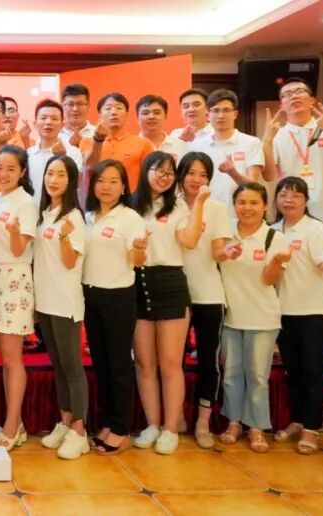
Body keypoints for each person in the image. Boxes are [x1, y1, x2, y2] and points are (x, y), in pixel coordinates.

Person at [130, 151, 207, 455]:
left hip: (170, 283)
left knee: (171, 363)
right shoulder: (129, 204)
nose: (164, 177)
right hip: (136, 283)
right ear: (145, 170)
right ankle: (152, 424)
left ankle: (171, 428)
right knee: (144, 362)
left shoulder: (177, 206)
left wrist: (199, 203)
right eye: (158, 170)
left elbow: (189, 240)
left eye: (169, 173)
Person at [80, 159, 149, 457]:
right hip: (90, 295)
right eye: (100, 180)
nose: (105, 187)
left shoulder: (129, 218)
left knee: (119, 364)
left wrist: (140, 249)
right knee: (101, 363)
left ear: (123, 188)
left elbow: (137, 261)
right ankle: (108, 421)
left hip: (118, 296)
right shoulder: (87, 217)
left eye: (113, 181)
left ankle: (121, 427)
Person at [216, 182, 292, 453]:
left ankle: (257, 426)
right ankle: (233, 422)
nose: (247, 208)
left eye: (254, 203)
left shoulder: (273, 237)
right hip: (230, 317)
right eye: (241, 202)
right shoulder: (224, 234)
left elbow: (269, 280)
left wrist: (275, 262)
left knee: (258, 377)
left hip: (262, 318)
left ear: (265, 206)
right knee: (231, 374)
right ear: (234, 205)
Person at [272, 176, 323, 454]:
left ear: (306, 201)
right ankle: (298, 420)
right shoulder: (272, 230)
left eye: (296, 195)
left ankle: (312, 428)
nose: (288, 200)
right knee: (293, 372)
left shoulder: (316, 229)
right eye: (283, 194)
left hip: (313, 313)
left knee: (313, 372)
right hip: (282, 313)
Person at [32, 155, 89, 459]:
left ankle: (80, 430)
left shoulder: (73, 218)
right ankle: (65, 421)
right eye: (49, 174)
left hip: (65, 302)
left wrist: (65, 236)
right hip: (45, 301)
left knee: (71, 366)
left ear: (72, 181)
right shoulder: (45, 214)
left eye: (61, 175)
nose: (53, 180)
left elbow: (69, 262)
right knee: (58, 365)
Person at [176, 151, 233, 449]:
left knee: (209, 360)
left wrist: (228, 253)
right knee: (174, 361)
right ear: (180, 175)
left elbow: (216, 252)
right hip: (175, 295)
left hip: (209, 294)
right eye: (191, 173)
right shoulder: (169, 205)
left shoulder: (218, 209)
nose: (196, 179)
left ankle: (202, 421)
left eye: (203, 174)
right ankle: (176, 415)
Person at [0, 144, 37, 450]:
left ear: (22, 172)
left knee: (12, 358)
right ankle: (16, 423)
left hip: (14, 279)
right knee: (5, 358)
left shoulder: (25, 202)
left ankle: (12, 426)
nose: (3, 174)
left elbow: (18, 250)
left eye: (11, 169)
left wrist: (15, 231)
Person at [262, 77, 323, 223]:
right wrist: (267, 140)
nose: (294, 96)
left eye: (300, 91)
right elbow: (268, 176)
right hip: (291, 208)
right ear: (281, 105)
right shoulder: (277, 135)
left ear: (312, 100)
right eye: (287, 94)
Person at [188, 89, 263, 209]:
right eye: (216, 110)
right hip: (205, 212)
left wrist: (233, 172)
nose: (221, 116)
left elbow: (253, 186)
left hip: (240, 213)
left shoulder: (252, 143)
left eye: (226, 110)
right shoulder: (196, 146)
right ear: (208, 115)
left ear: (235, 114)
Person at [89, 92, 155, 187]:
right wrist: (98, 140)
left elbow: (150, 177)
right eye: (108, 108)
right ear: (100, 115)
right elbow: (89, 168)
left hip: (132, 196)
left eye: (119, 108)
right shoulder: (88, 142)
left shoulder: (144, 143)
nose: (114, 112)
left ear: (126, 114)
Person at [26, 100, 84, 202]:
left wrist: (62, 158)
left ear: (62, 125)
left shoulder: (73, 152)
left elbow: (76, 183)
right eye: (43, 118)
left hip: (61, 209)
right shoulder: (28, 154)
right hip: (32, 209)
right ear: (35, 124)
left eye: (54, 118)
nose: (48, 122)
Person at [137, 94, 189, 164]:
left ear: (165, 116)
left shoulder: (181, 146)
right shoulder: (131, 147)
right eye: (145, 113)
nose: (151, 117)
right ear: (137, 118)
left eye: (157, 113)